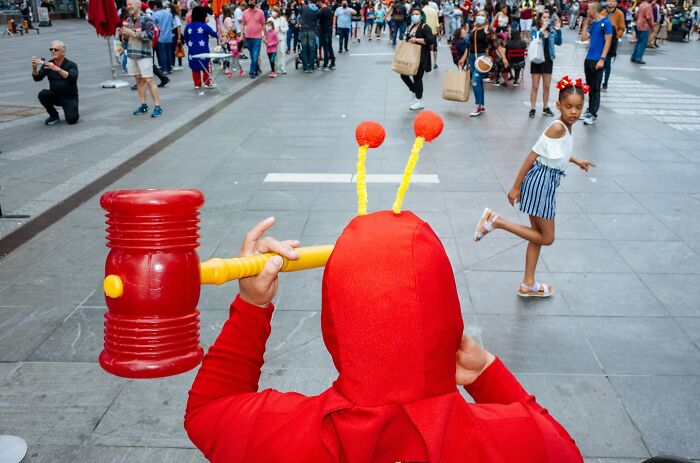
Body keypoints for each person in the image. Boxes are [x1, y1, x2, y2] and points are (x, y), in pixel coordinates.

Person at [184, 215, 585, 459]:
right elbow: (564, 448)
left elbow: (207, 410)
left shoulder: (275, 436)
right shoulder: (520, 440)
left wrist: (252, 308)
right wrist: (488, 375)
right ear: (450, 320)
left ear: (334, 328)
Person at [474, 77, 595, 298]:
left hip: (544, 180)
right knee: (546, 238)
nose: (574, 112)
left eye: (578, 107)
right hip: (541, 182)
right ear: (558, 105)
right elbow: (533, 155)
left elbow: (556, 153)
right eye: (568, 106)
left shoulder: (566, 127)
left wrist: (576, 160)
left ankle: (528, 284)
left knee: (535, 236)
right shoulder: (558, 127)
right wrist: (515, 186)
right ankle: (496, 222)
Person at [120, 0, 163, 118]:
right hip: (132, 54)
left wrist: (132, 32)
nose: (128, 7)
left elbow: (149, 35)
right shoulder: (128, 20)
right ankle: (144, 105)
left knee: (149, 80)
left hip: (144, 54)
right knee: (138, 80)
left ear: (138, 5)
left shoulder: (146, 18)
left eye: (130, 4)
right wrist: (124, 34)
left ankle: (158, 106)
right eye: (127, 5)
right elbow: (126, 40)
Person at [31, 41, 79, 125]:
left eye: (55, 49)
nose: (53, 51)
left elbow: (72, 77)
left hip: (69, 97)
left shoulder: (71, 65)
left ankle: (69, 108)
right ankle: (54, 115)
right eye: (51, 49)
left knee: (72, 119)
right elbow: (37, 78)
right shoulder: (48, 64)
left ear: (63, 52)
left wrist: (57, 69)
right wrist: (34, 68)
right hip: (55, 95)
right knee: (43, 94)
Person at [580, 1, 611, 125]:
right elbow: (583, 38)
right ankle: (589, 109)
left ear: (594, 10)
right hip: (589, 59)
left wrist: (602, 59)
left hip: (598, 59)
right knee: (590, 86)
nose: (587, 11)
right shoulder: (593, 24)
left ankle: (593, 113)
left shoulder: (606, 23)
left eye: (589, 9)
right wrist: (585, 25)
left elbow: (607, 42)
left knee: (596, 87)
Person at [458, 9, 492, 117]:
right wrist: (463, 59)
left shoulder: (488, 29)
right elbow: (469, 45)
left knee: (475, 81)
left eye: (483, 15)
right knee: (479, 82)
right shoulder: (473, 27)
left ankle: (477, 106)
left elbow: (494, 43)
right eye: (479, 15)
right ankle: (481, 105)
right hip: (472, 58)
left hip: (482, 58)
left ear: (486, 18)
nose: (480, 17)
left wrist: (501, 57)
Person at [529, 11, 561, 118]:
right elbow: (533, 39)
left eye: (548, 17)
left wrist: (558, 29)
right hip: (537, 59)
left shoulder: (552, 31)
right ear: (540, 18)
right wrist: (542, 29)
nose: (546, 19)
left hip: (548, 59)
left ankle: (545, 106)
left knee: (547, 86)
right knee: (535, 85)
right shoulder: (534, 29)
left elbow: (559, 42)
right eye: (544, 17)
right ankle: (533, 108)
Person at [400, 8, 434, 110]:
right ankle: (415, 91)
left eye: (417, 14)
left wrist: (416, 40)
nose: (415, 15)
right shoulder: (413, 26)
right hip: (412, 55)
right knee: (403, 74)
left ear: (421, 16)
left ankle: (419, 100)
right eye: (413, 14)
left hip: (422, 56)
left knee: (417, 77)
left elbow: (430, 40)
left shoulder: (425, 27)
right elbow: (408, 39)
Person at [184, 6, 218, 88]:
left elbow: (186, 38)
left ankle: (197, 83)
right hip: (204, 50)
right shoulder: (204, 26)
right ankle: (207, 82)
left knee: (194, 67)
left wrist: (190, 46)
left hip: (192, 51)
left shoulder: (188, 26)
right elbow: (215, 34)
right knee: (206, 66)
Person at [603, 0, 625, 91]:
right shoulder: (602, 12)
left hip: (612, 40)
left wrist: (617, 36)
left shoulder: (619, 13)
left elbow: (622, 27)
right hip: (602, 39)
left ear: (616, 3)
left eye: (613, 1)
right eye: (609, 1)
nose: (611, 3)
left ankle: (605, 83)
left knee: (607, 62)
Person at [243, 0, 266, 78]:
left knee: (255, 54)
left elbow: (263, 25)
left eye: (253, 1)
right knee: (252, 55)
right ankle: (257, 69)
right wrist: (242, 35)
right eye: (250, 1)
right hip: (248, 37)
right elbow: (243, 24)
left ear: (255, 2)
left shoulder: (260, 12)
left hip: (257, 37)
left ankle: (251, 72)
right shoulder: (245, 12)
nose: (251, 2)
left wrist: (265, 35)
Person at [151, 0, 174, 74]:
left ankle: (164, 69)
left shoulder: (155, 14)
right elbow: (172, 25)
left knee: (162, 53)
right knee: (169, 52)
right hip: (169, 35)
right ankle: (169, 68)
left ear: (155, 6)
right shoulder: (169, 13)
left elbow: (153, 26)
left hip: (160, 36)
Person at [299, 0, 321, 72]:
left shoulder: (304, 7)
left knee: (304, 49)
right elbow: (317, 20)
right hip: (312, 31)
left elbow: (300, 15)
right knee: (312, 49)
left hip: (303, 30)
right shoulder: (317, 10)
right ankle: (311, 67)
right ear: (316, 2)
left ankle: (305, 67)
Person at [422, 0, 440, 68]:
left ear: (422, 4)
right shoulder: (434, 11)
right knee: (434, 48)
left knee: (425, 48)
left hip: (424, 32)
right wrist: (438, 33)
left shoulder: (422, 11)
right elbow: (437, 24)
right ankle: (435, 63)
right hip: (433, 32)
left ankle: (425, 63)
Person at [271, 6, 289, 74]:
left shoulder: (282, 19)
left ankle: (283, 68)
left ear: (278, 12)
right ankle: (276, 68)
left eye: (274, 11)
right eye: (272, 11)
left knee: (282, 52)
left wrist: (281, 29)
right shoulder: (270, 19)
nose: (273, 12)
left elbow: (286, 28)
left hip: (281, 38)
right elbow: (268, 28)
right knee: (275, 54)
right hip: (273, 40)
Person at [319, 0, 336, 70]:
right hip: (329, 29)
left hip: (324, 30)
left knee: (325, 48)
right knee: (330, 47)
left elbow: (319, 21)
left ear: (321, 2)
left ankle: (325, 64)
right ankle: (332, 63)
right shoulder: (329, 10)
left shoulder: (321, 11)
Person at [170, 3, 184, 70]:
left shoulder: (175, 17)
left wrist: (179, 37)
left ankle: (180, 64)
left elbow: (179, 27)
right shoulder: (170, 16)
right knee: (172, 49)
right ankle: (172, 63)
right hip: (171, 33)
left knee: (178, 48)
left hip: (175, 33)